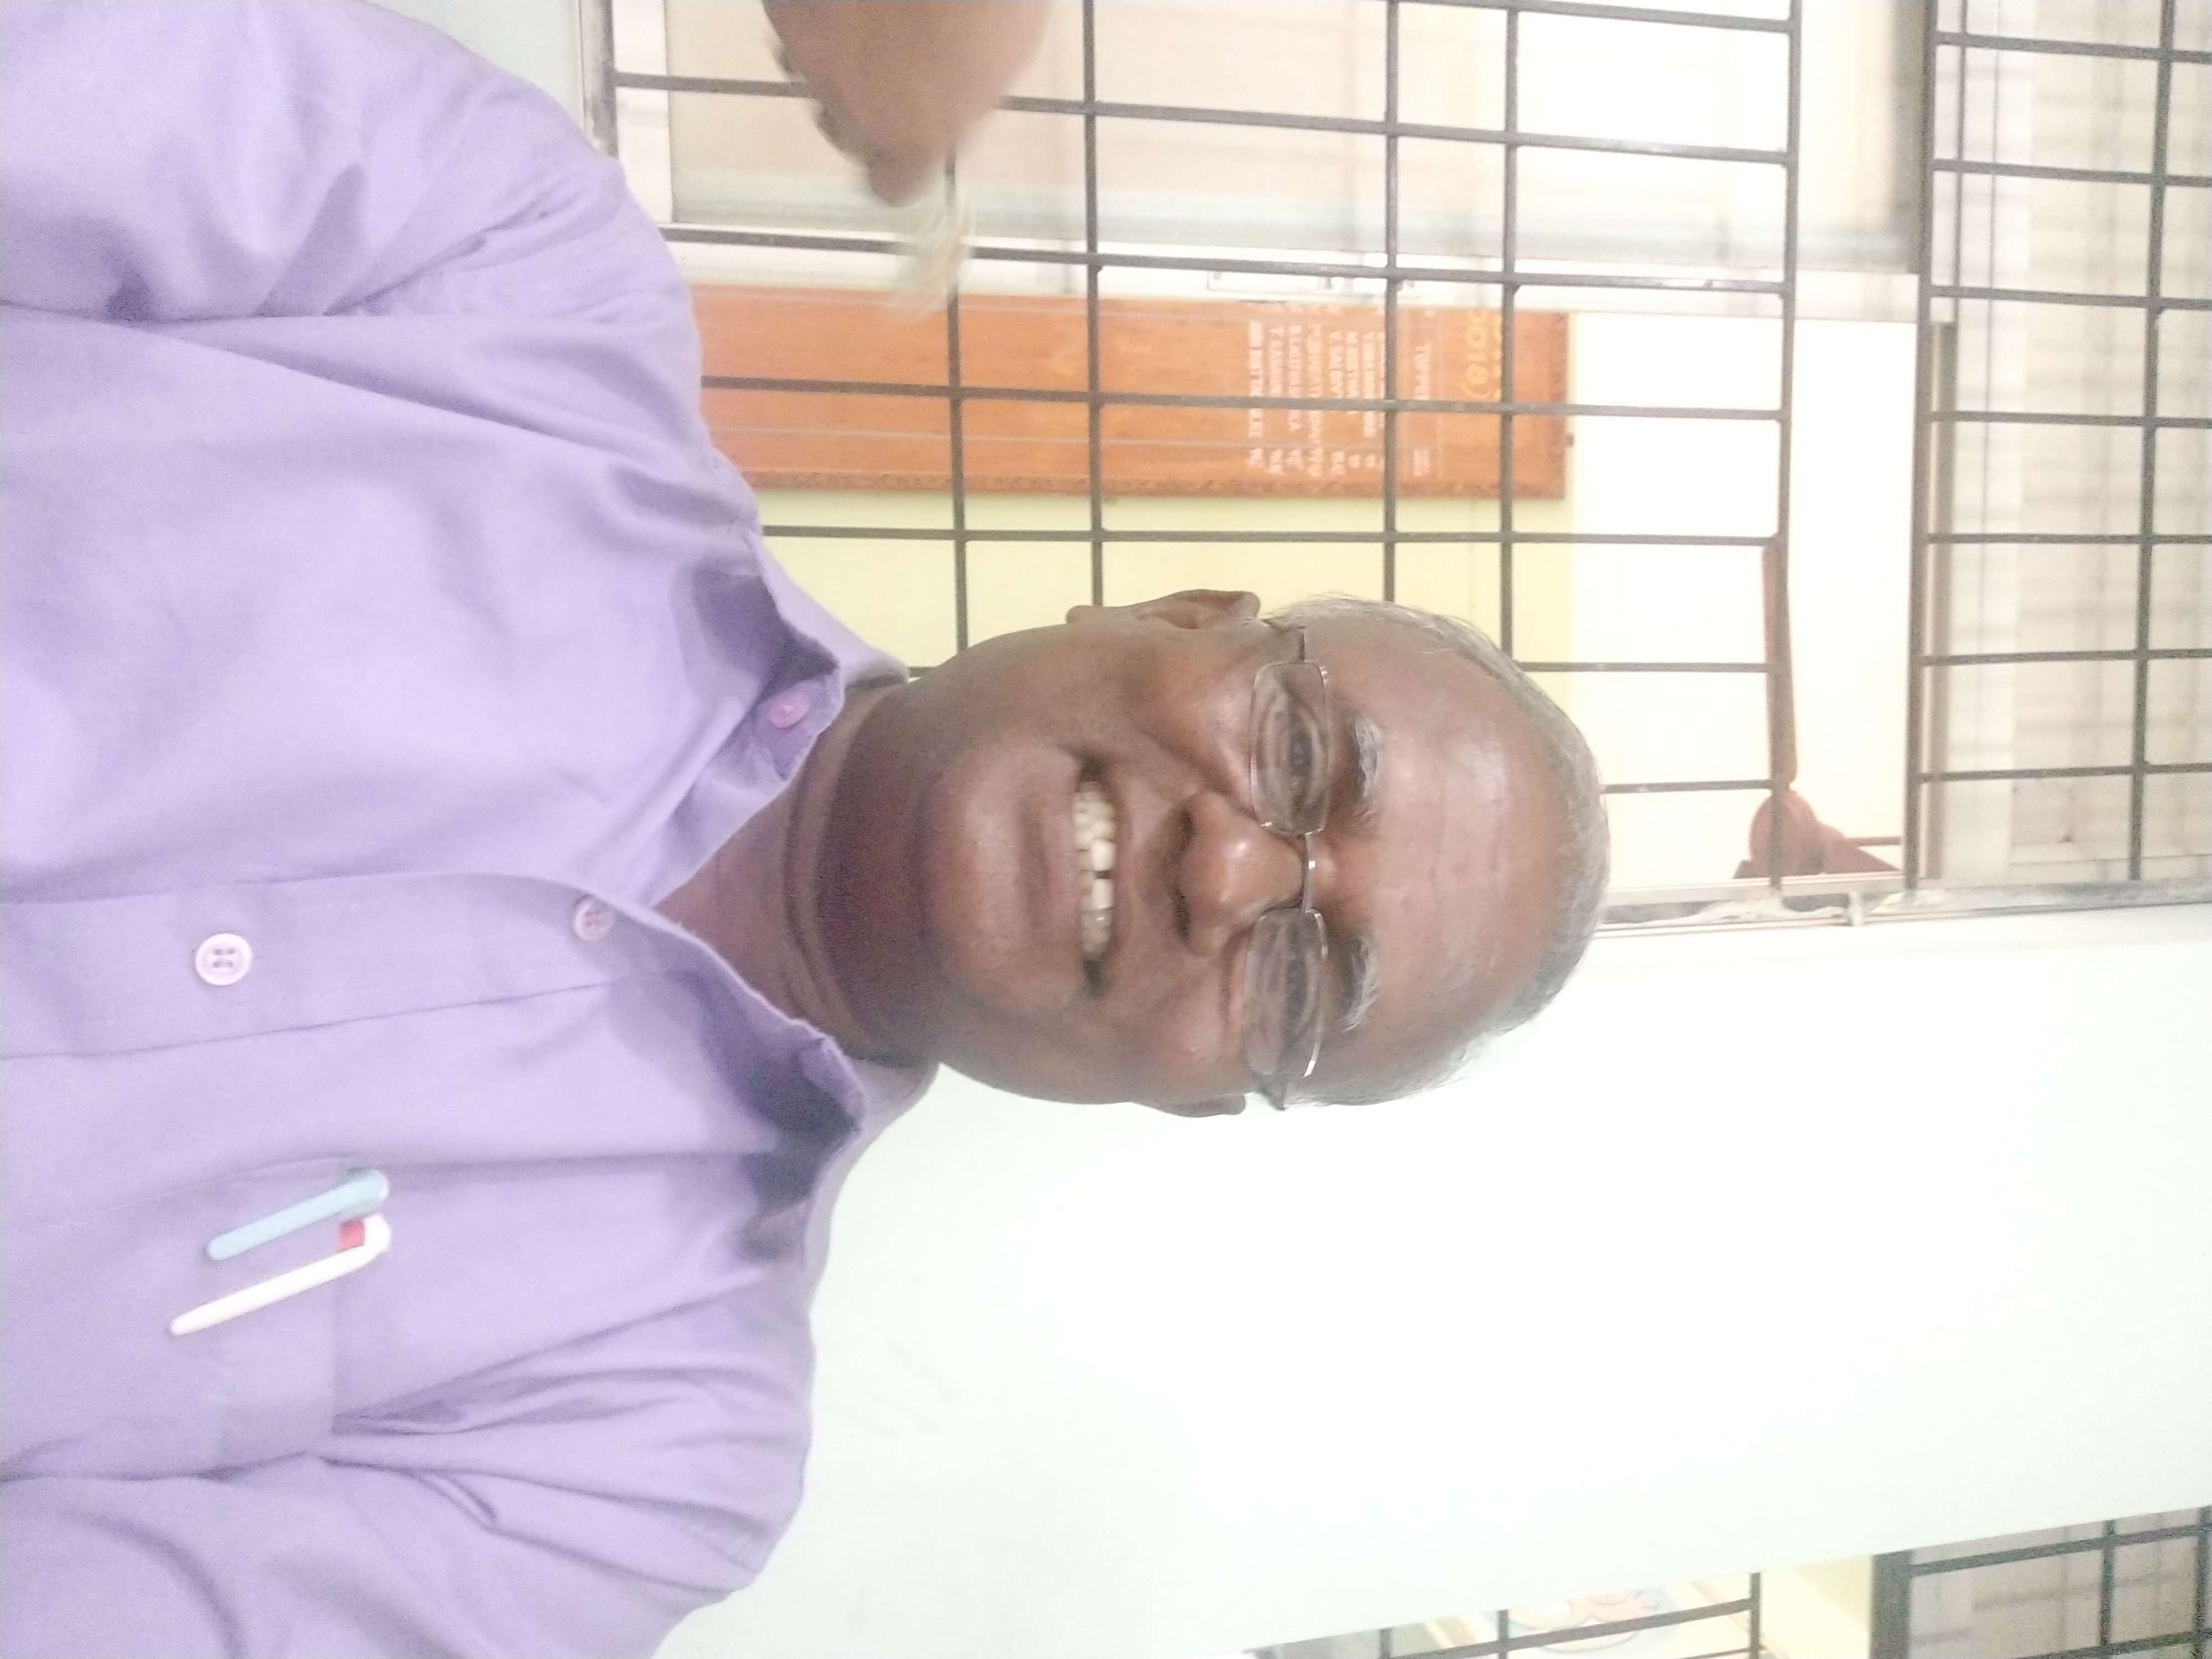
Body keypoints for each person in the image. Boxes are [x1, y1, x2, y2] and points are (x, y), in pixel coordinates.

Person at [0, 4, 1606, 1655]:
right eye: (1300, 751)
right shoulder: (489, 268)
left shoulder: (622, 1461)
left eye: (1304, 981)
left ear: (1192, 1098)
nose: (1236, 867)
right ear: (1172, 609)